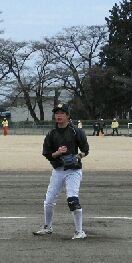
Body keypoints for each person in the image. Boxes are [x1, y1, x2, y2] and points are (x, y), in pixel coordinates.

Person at [33, 103, 90, 240]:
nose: (58, 115)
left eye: (62, 113)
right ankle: (47, 227)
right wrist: (57, 153)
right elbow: (48, 154)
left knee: (72, 199)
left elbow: (85, 150)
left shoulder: (77, 132)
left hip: (73, 171)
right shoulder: (51, 134)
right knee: (49, 200)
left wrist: (78, 156)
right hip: (58, 171)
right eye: (56, 113)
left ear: (68, 116)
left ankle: (79, 231)